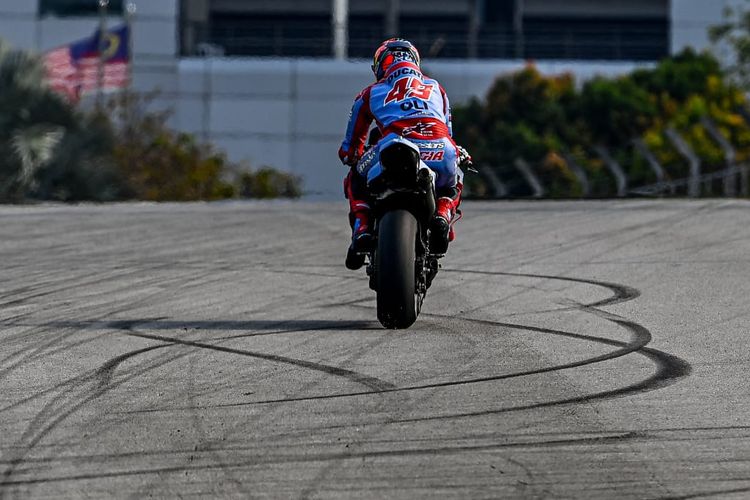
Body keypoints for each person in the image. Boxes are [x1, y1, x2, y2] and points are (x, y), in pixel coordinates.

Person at [339, 38, 470, 270]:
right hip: (440, 150)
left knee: (355, 178)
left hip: (393, 147)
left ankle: (361, 229)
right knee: (455, 173)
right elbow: (448, 134)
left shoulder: (370, 93)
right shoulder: (437, 88)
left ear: (380, 65)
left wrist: (351, 156)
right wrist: (459, 155)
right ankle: (443, 213)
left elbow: (351, 147)